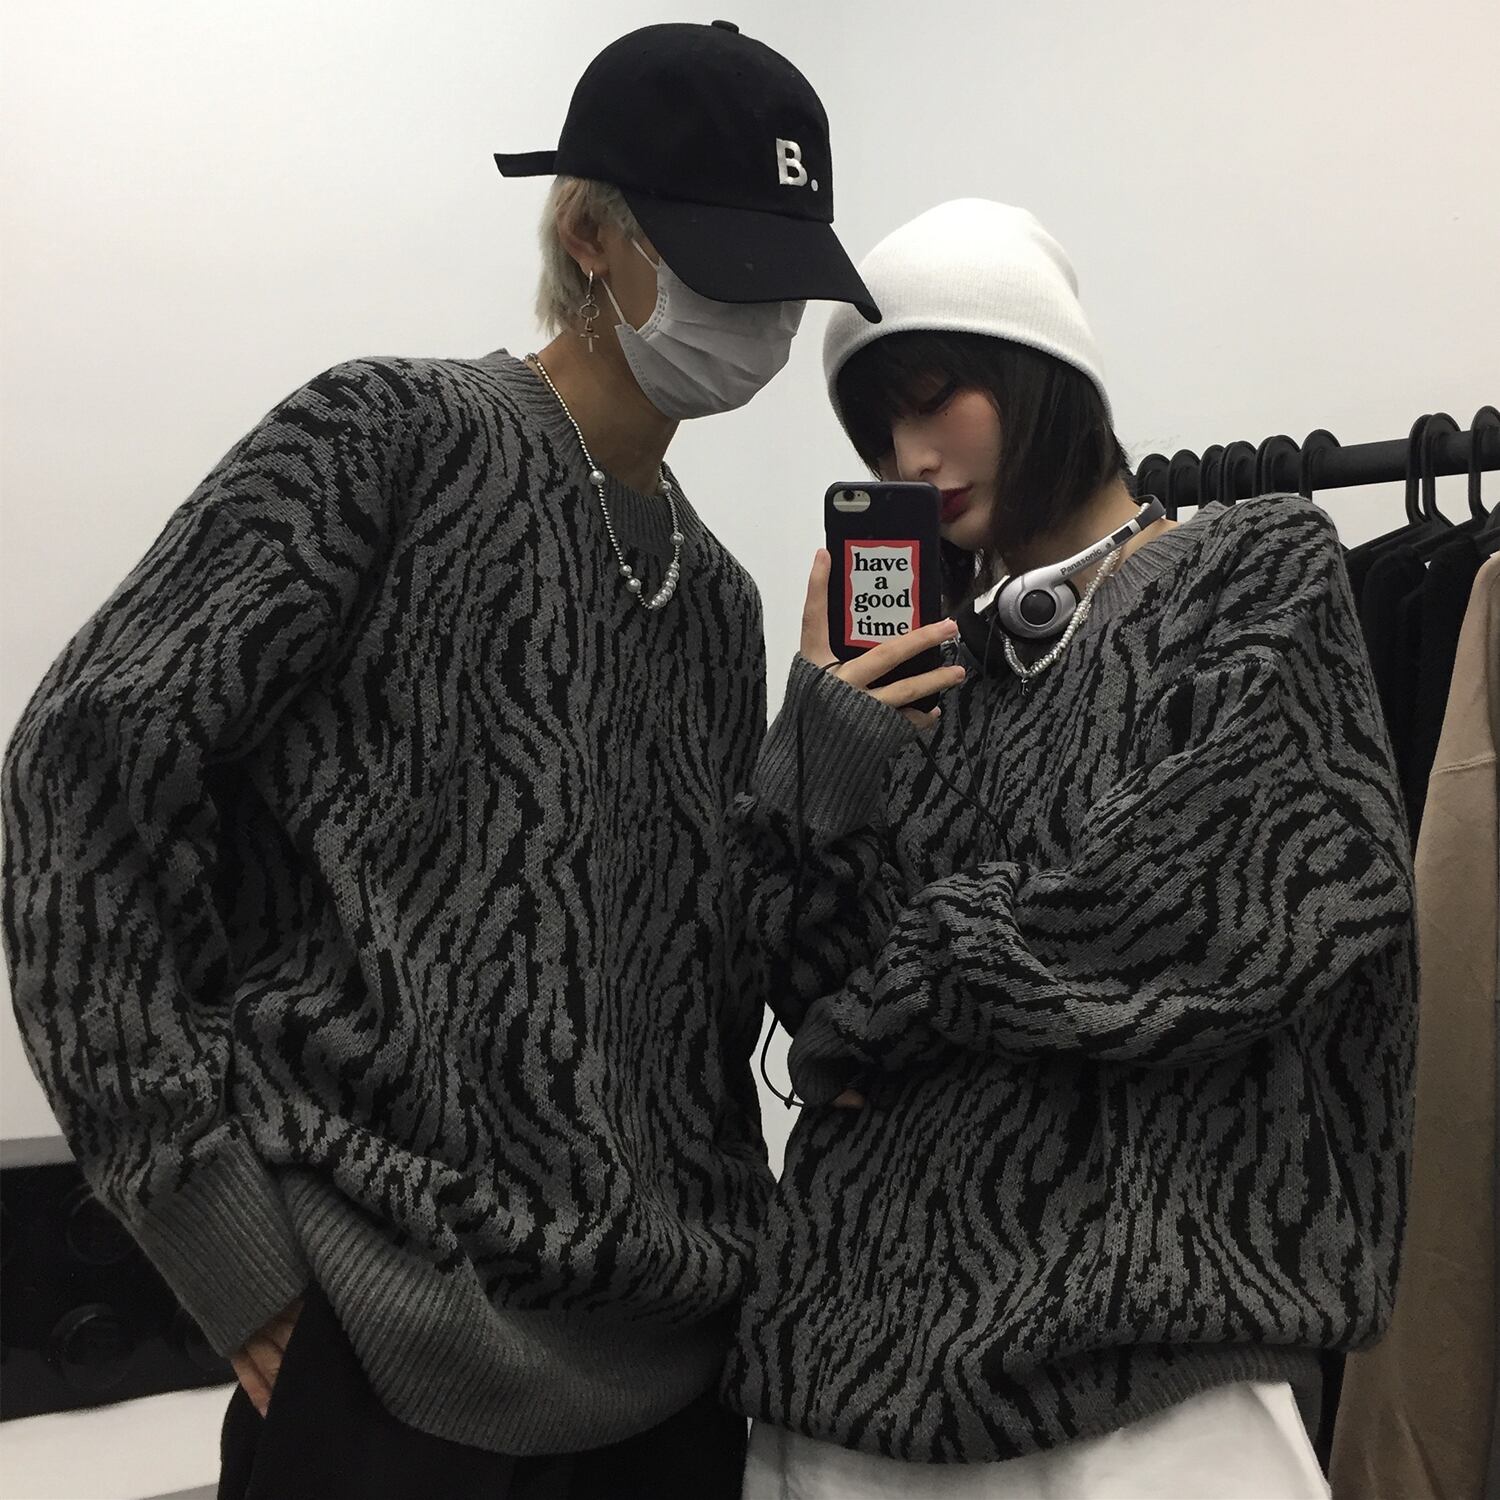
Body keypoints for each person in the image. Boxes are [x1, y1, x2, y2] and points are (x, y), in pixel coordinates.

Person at [1, 21, 877, 1500]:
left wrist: (828, 755)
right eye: (729, 266)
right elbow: (81, 778)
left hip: (674, 1378)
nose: (768, 321)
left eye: (789, 277)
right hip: (383, 1363)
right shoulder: (386, 440)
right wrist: (218, 1234)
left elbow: (696, 990)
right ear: (590, 234)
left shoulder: (716, 600)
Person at [725, 199, 1417, 1498]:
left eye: (937, 398)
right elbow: (798, 979)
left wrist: (893, 1001)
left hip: (1146, 1379)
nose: (912, 456)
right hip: (847, 1377)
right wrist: (821, 744)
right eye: (879, 432)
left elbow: (1206, 903)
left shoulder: (1252, 571)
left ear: (1039, 368)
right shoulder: (938, 671)